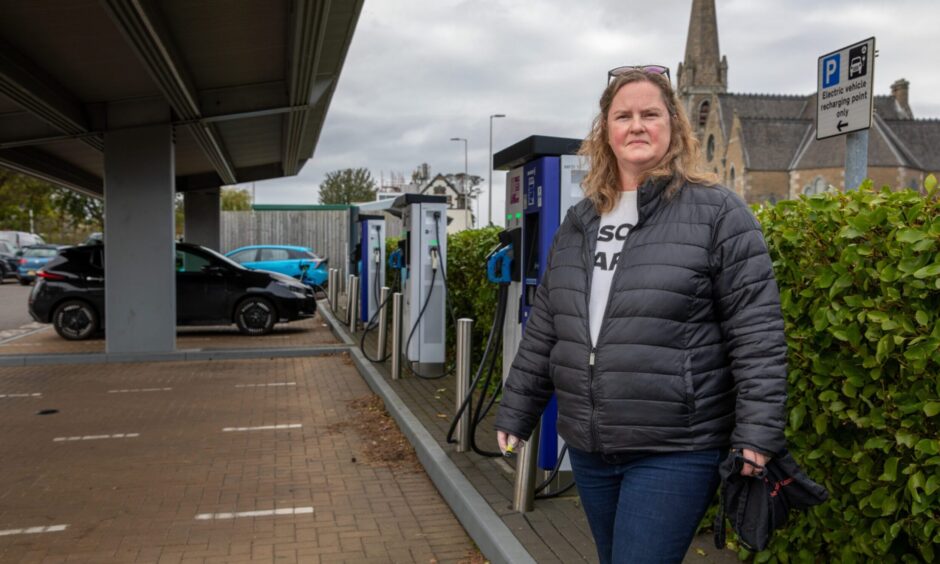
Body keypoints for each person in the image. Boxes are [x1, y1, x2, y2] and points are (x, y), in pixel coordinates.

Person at [494, 65, 788, 564]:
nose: (636, 125)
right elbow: (548, 321)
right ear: (605, 131)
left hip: (676, 447)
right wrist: (518, 409)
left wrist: (757, 435)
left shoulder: (718, 212)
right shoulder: (581, 219)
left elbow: (757, 334)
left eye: (650, 114)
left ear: (673, 125)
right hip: (591, 445)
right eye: (623, 115)